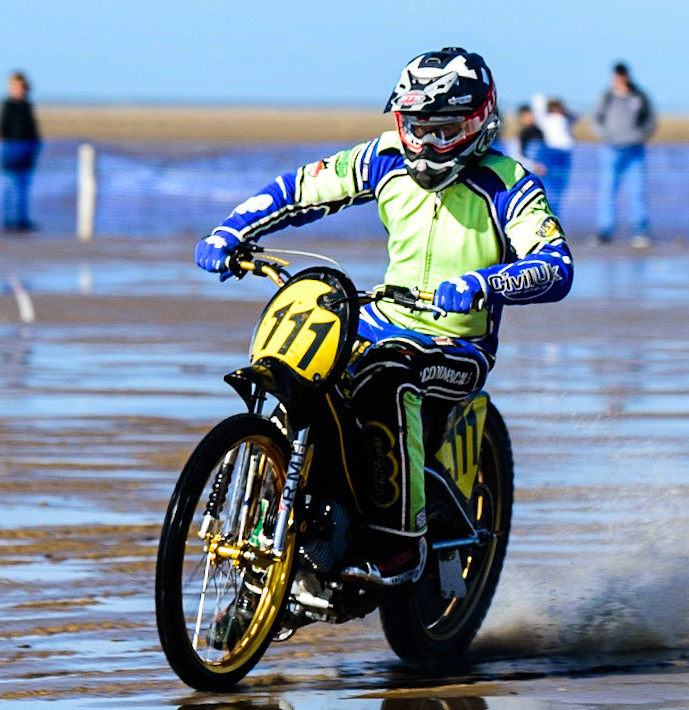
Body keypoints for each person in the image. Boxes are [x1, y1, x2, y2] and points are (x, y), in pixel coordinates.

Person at [193, 47, 573, 585]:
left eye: (444, 130)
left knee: (386, 377)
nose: (427, 144)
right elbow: (300, 188)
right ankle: (278, 528)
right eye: (417, 128)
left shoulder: (510, 183)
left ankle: (400, 544)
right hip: (380, 316)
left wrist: (482, 285)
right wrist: (232, 230)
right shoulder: (384, 158)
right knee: (300, 360)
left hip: (455, 345)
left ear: (478, 121)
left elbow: (555, 265)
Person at [591, 62, 657, 247]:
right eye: (617, 76)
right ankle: (605, 231)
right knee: (608, 190)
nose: (620, 79)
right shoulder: (607, 97)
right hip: (611, 149)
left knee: (637, 190)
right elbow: (596, 120)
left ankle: (640, 231)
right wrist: (606, 135)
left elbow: (651, 120)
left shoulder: (639, 96)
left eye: (623, 75)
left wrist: (641, 135)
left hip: (635, 150)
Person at [0, 71, 41, 232]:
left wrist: (35, 144)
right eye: (17, 86)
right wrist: (11, 143)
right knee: (10, 186)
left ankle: (21, 221)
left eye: (22, 86)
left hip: (28, 149)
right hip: (12, 149)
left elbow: (33, 128)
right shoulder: (7, 105)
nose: (20, 90)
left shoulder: (27, 105)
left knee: (23, 188)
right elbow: (2, 129)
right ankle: (9, 222)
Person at [533, 94, 576, 208]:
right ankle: (548, 207)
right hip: (551, 152)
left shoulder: (566, 119)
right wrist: (547, 100)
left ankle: (555, 209)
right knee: (550, 183)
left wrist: (565, 111)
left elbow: (575, 116)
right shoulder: (546, 119)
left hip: (565, 153)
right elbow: (538, 100)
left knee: (560, 184)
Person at [515, 103, 546, 173]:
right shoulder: (519, 134)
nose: (530, 118)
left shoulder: (538, 131)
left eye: (530, 115)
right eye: (526, 116)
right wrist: (533, 166)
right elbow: (517, 155)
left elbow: (543, 150)